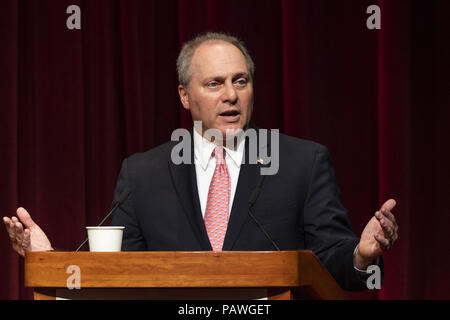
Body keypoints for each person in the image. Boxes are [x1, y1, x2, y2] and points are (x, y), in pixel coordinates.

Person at [3, 32, 398, 291]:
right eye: (214, 84)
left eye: (240, 81)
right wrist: (49, 261)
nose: (231, 95)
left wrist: (361, 255)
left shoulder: (301, 163)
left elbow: (334, 262)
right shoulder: (143, 174)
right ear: (184, 96)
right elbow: (114, 274)